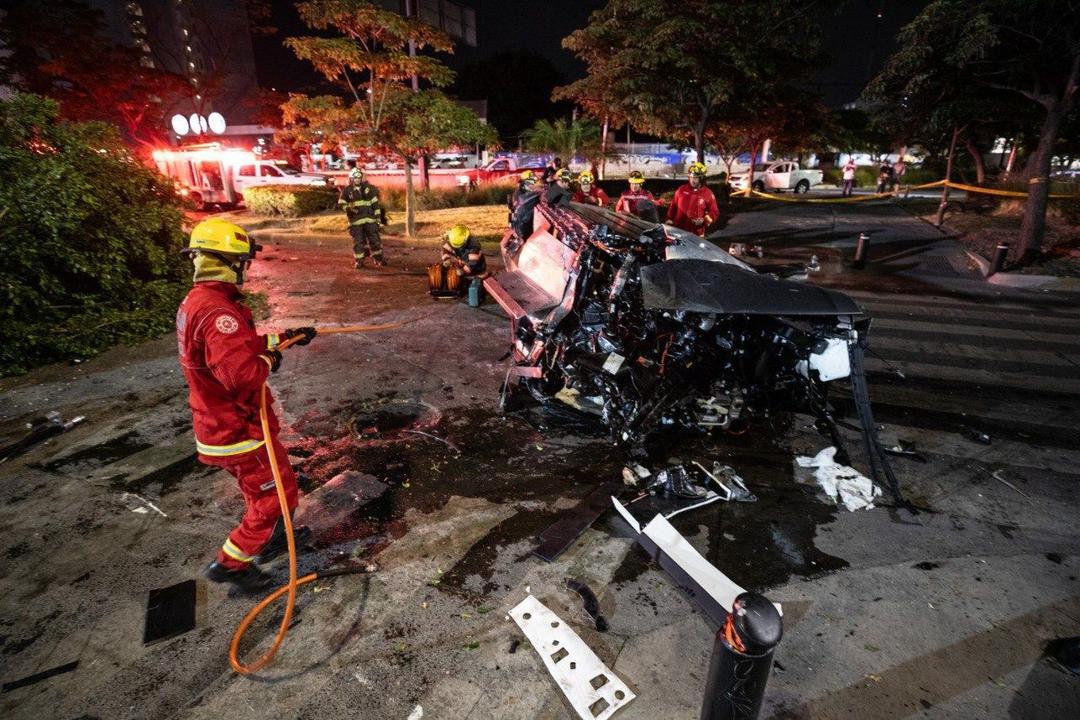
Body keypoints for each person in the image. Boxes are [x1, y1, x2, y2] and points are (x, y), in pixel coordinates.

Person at [176, 219, 317, 593]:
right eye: (241, 261)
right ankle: (232, 565)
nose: (244, 268)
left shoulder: (201, 302)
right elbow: (241, 375)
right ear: (227, 260)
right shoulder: (217, 312)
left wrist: (287, 337)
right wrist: (271, 360)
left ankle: (271, 537)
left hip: (223, 425)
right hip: (238, 429)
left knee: (270, 489)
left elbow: (239, 345)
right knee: (274, 497)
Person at [339, 167, 386, 268]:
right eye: (355, 178)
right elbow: (342, 203)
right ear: (351, 179)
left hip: (370, 220)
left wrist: (378, 218)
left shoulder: (369, 189)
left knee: (375, 240)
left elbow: (375, 205)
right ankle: (359, 261)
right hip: (356, 221)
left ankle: (378, 259)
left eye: (359, 178)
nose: (357, 180)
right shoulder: (347, 191)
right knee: (358, 242)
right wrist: (349, 209)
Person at [429, 224, 487, 297]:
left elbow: (472, 264)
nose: (455, 247)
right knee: (452, 277)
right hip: (462, 263)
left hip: (476, 269)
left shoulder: (474, 246)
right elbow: (445, 249)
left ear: (465, 241)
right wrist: (446, 259)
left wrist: (463, 271)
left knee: (469, 282)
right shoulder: (453, 239)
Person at [665, 162, 719, 236]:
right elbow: (673, 206)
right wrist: (669, 219)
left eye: (695, 178)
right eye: (690, 177)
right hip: (678, 231)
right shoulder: (681, 190)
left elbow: (714, 211)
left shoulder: (708, 193)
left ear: (701, 178)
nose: (692, 180)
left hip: (696, 233)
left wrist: (704, 220)